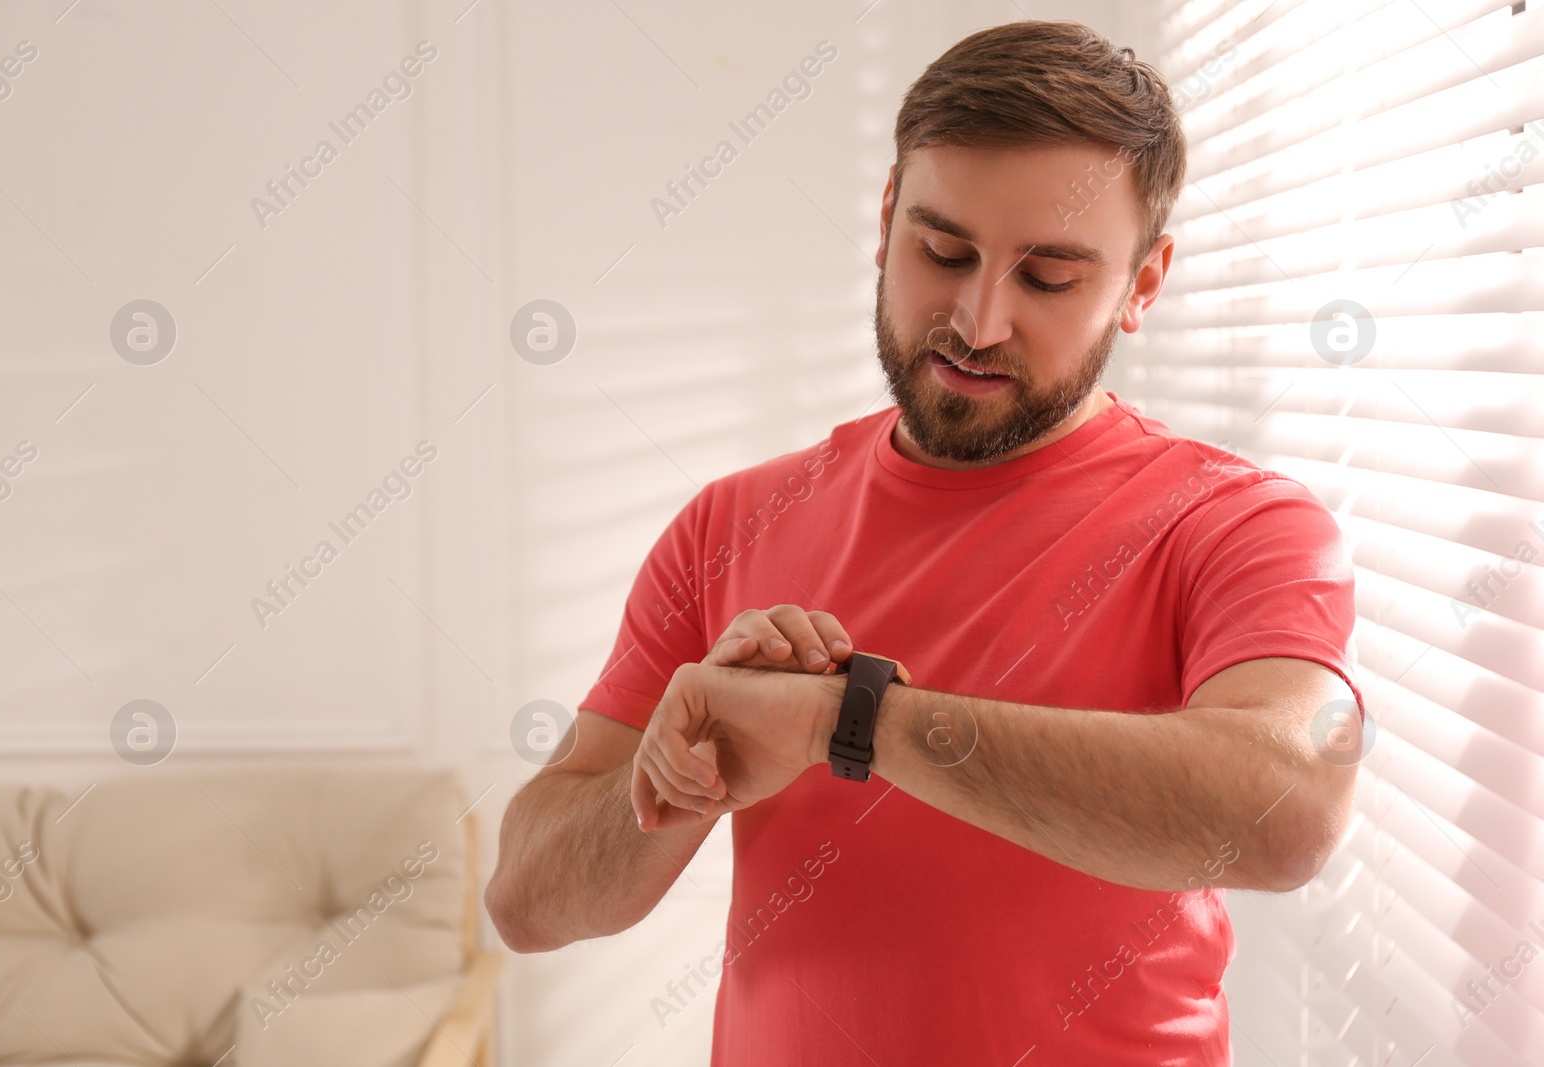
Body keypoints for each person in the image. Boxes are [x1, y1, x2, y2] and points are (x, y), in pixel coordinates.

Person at [485, 19, 1362, 1066]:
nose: (977, 318)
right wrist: (686, 775)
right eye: (942, 251)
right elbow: (526, 900)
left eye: (1049, 277)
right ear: (887, 216)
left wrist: (848, 721)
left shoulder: (1237, 522)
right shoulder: (730, 523)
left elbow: (1286, 807)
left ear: (1143, 284)